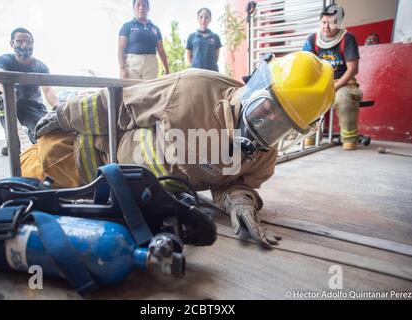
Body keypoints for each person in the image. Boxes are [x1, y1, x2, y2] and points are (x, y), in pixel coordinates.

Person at [21, 51, 335, 249]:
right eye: (267, 111)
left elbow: (234, 182)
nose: (266, 128)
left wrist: (240, 203)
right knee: (25, 178)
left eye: (282, 127)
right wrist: (63, 114)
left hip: (113, 197)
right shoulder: (192, 90)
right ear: (255, 87)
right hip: (71, 155)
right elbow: (120, 104)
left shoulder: (263, 155)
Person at [303, 4, 363, 150]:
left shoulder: (347, 38)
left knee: (344, 99)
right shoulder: (312, 39)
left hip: (345, 81)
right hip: (321, 82)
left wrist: (335, 86)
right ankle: (310, 135)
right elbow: (306, 65)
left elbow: (353, 69)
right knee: (307, 99)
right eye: (324, 22)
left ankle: (349, 138)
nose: (326, 27)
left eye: (331, 23)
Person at [0, 27, 59, 156]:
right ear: (12, 44)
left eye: (28, 42)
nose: (24, 45)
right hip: (9, 100)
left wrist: (58, 107)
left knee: (45, 132)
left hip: (32, 104)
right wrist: (8, 92)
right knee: (14, 142)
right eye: (20, 41)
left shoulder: (41, 67)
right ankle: (12, 143)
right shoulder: (4, 60)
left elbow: (48, 90)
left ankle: (32, 134)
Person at [118, 0, 170, 80]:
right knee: (132, 90)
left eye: (144, 5)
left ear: (148, 8)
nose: (141, 8)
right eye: (138, 5)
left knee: (150, 91)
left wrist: (167, 69)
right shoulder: (127, 26)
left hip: (150, 65)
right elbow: (121, 48)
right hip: (132, 65)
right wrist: (122, 69)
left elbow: (161, 50)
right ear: (134, 8)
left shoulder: (155, 28)